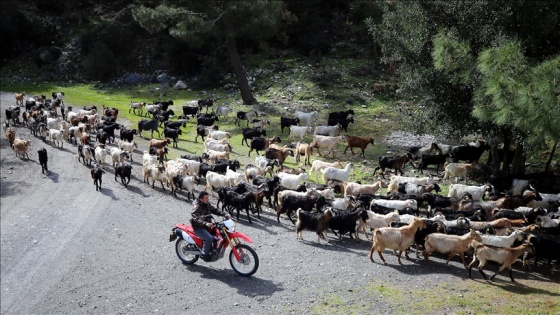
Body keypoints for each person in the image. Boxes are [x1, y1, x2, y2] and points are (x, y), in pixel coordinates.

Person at [190, 191, 230, 261]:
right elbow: (194, 218)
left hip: (208, 226)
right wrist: (205, 223)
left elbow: (215, 210)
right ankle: (205, 254)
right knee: (210, 238)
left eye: (208, 198)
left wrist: (225, 214)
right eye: (206, 198)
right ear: (201, 199)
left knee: (219, 234)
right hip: (199, 227)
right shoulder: (197, 207)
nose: (208, 199)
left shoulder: (207, 204)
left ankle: (213, 250)